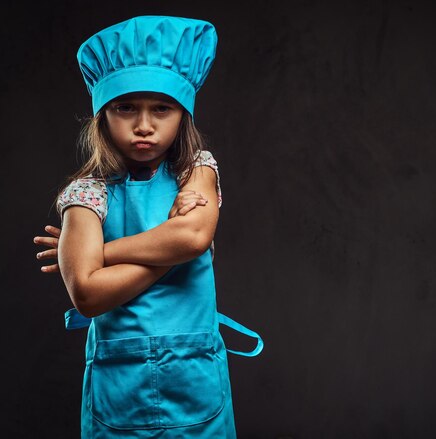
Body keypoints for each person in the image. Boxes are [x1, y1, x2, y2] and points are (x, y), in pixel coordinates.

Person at [32, 15, 263, 437]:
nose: (143, 124)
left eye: (161, 108)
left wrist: (99, 252)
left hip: (194, 378)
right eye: (125, 108)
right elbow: (86, 293)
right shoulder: (86, 191)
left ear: (182, 113)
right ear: (103, 114)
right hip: (120, 386)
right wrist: (173, 250)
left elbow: (193, 236)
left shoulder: (198, 170)